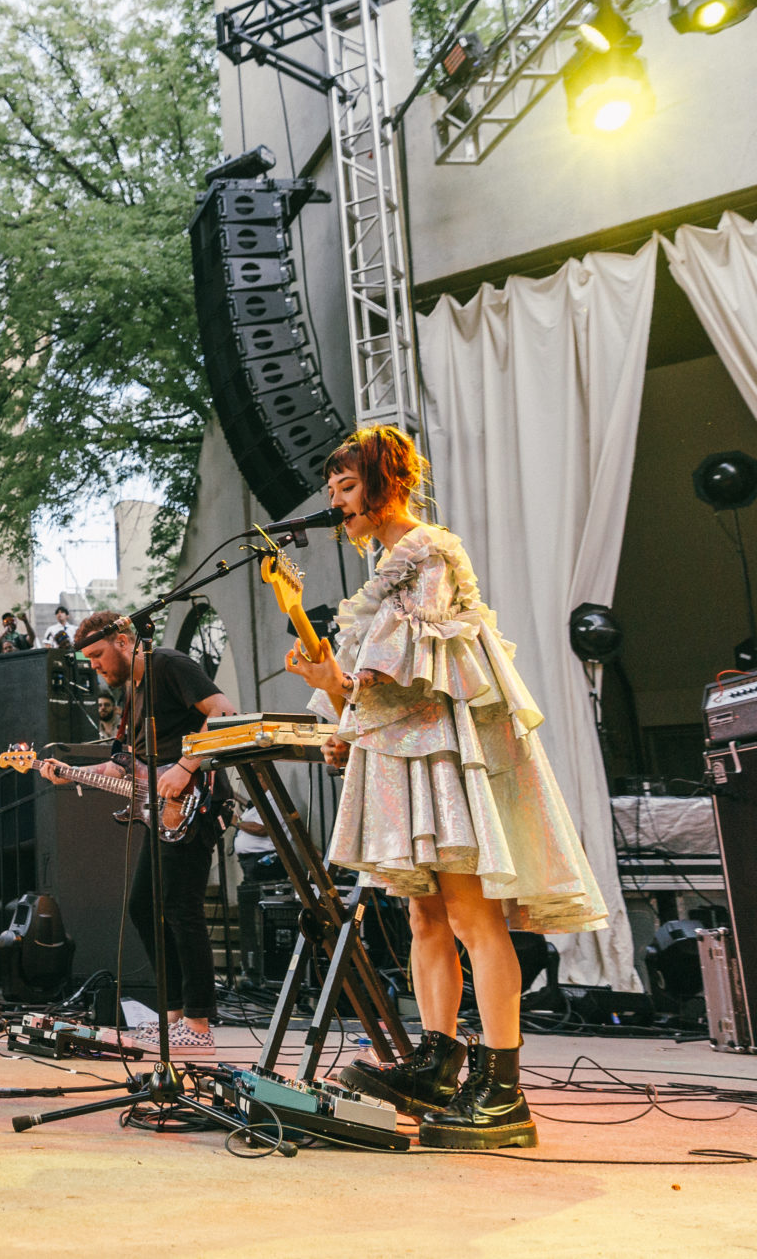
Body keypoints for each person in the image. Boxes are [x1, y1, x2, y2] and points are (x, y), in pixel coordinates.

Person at [281, 425, 608, 1150]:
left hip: (439, 758)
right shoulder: (374, 584)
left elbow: (415, 667)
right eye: (331, 491)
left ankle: (503, 1089)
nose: (337, 504)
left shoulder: (428, 549)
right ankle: (438, 1059)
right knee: (425, 917)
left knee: (470, 916)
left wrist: (345, 683)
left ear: (383, 481)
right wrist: (329, 684)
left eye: (347, 487)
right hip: (406, 760)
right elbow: (365, 702)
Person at [44, 609, 235, 1052]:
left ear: (125, 641)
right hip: (161, 810)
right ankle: (173, 1017)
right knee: (145, 908)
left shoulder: (168, 664)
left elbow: (225, 711)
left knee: (180, 907)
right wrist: (71, 773)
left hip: (195, 801)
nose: (94, 666)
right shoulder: (134, 697)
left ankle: (199, 1022)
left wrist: (187, 766)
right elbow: (123, 765)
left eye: (97, 655)